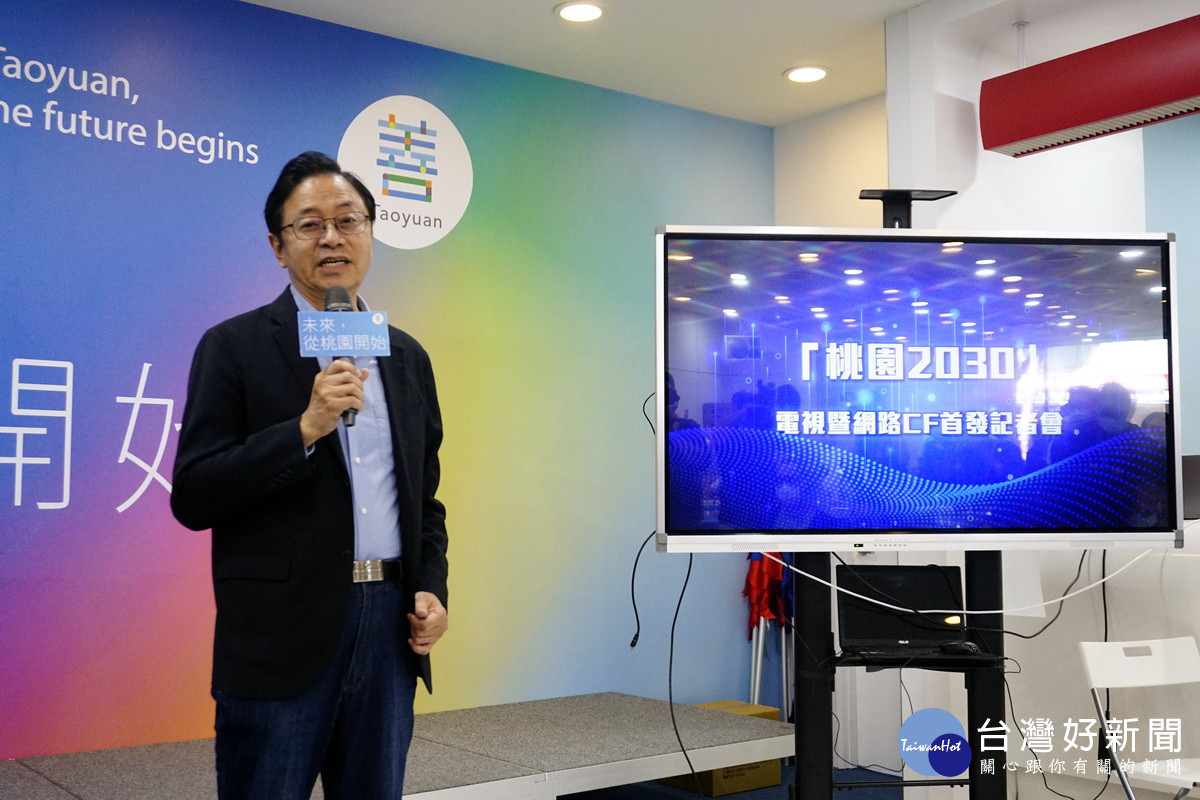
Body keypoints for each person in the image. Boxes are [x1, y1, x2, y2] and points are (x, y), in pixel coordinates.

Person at [171, 151, 449, 800]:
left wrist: (431, 589)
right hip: (280, 637)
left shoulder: (406, 357)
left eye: (348, 220)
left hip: (388, 630)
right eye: (309, 224)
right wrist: (303, 429)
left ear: (370, 233)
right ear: (278, 246)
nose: (331, 238)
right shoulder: (234, 347)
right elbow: (195, 493)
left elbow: (424, 501)